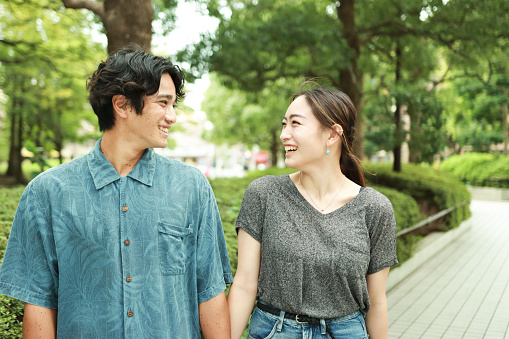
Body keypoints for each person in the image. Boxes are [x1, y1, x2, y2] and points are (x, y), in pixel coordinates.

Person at [0, 45, 233, 338]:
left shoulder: (191, 187)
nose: (172, 116)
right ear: (122, 105)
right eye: (163, 103)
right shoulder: (47, 193)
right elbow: (39, 303)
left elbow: (209, 292)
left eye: (173, 105)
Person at [227, 87, 398, 339]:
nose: (284, 134)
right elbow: (243, 285)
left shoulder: (375, 208)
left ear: (332, 134)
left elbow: (377, 302)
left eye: (295, 124)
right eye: (284, 124)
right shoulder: (264, 193)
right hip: (275, 331)